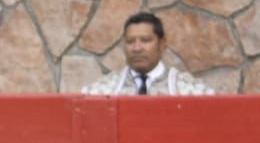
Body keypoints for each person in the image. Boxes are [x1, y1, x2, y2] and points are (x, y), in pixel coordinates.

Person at [82, 12, 215, 95]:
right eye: (130, 41)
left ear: (162, 44)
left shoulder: (192, 92)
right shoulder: (99, 92)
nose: (137, 48)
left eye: (145, 40)